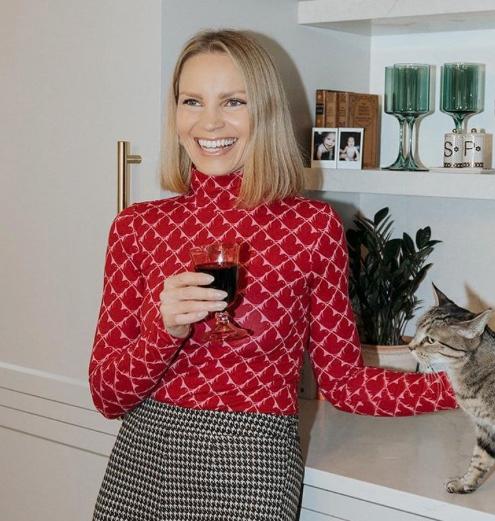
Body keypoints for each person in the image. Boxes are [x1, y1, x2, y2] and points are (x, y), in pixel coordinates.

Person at [88, 29, 456, 521]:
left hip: (254, 466)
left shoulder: (312, 228)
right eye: (191, 100)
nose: (209, 121)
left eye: (233, 101)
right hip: (143, 466)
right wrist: (164, 330)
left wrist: (471, 385)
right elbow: (107, 396)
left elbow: (346, 384)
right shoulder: (138, 227)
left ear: (265, 112)